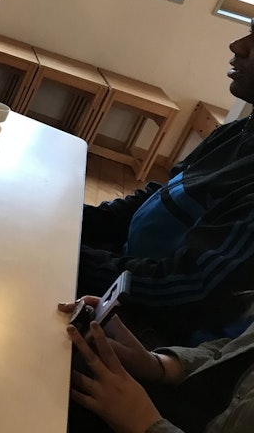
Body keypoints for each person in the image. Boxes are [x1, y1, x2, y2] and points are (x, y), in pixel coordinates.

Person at [77, 21, 254, 347]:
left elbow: (182, 286)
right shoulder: (238, 132)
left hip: (143, 331)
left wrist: (75, 256)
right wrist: (70, 223)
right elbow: (158, 196)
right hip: (118, 273)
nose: (237, 46)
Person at [59, 298, 254, 432]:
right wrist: (160, 365)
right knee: (75, 357)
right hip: (189, 399)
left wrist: (146, 424)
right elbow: (237, 345)